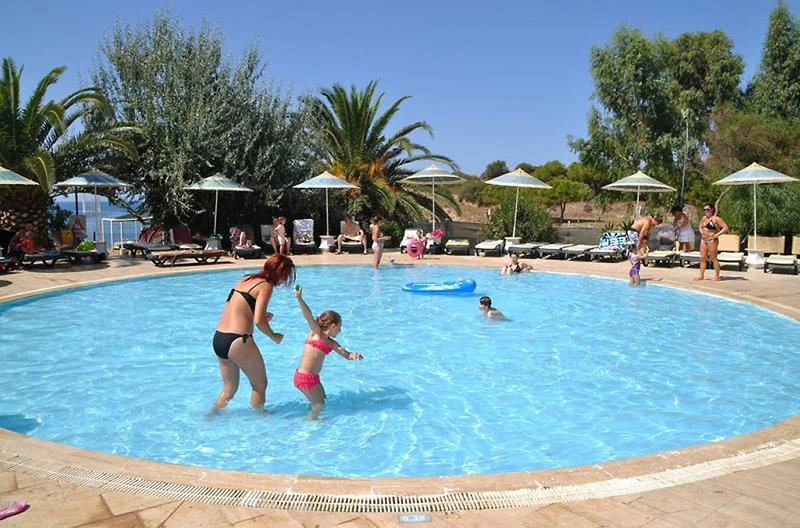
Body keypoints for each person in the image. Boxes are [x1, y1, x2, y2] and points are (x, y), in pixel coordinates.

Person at [210, 254, 295, 413]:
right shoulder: (266, 286)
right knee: (260, 385)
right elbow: (258, 321)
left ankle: (210, 416)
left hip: (219, 337)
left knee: (229, 389)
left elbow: (236, 308)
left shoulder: (245, 279)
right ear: (281, 274)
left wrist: (259, 316)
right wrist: (274, 336)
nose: (285, 280)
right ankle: (260, 418)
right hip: (238, 340)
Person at [293, 285, 362, 420]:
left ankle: (311, 415)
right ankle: (307, 424)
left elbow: (346, 354)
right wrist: (299, 298)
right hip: (304, 378)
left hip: (313, 378)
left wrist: (354, 355)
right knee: (319, 405)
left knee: (323, 398)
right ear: (333, 326)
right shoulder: (315, 333)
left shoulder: (331, 343)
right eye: (339, 327)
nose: (340, 331)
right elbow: (308, 315)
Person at [695, 203, 729, 282]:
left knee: (713, 258)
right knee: (703, 258)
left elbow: (725, 228)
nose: (705, 211)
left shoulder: (716, 219)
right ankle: (701, 275)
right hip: (703, 240)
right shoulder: (704, 218)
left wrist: (717, 234)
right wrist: (701, 232)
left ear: (712, 209)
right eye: (704, 210)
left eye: (707, 209)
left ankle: (717, 276)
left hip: (712, 240)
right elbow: (700, 226)